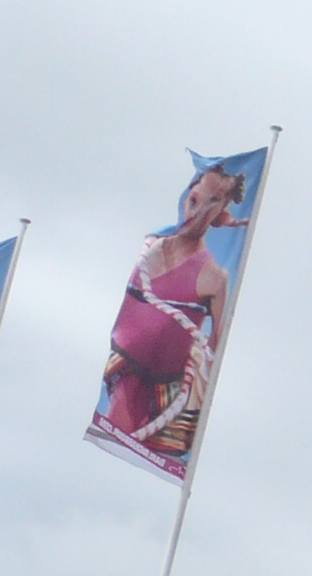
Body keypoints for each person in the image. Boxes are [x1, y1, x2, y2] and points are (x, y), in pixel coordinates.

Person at [101, 163, 245, 463]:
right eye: (195, 199)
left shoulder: (214, 277)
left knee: (146, 459)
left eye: (213, 201)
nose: (199, 210)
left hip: (169, 390)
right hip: (126, 374)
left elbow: (215, 347)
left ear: (222, 212)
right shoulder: (151, 248)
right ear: (186, 198)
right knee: (111, 445)